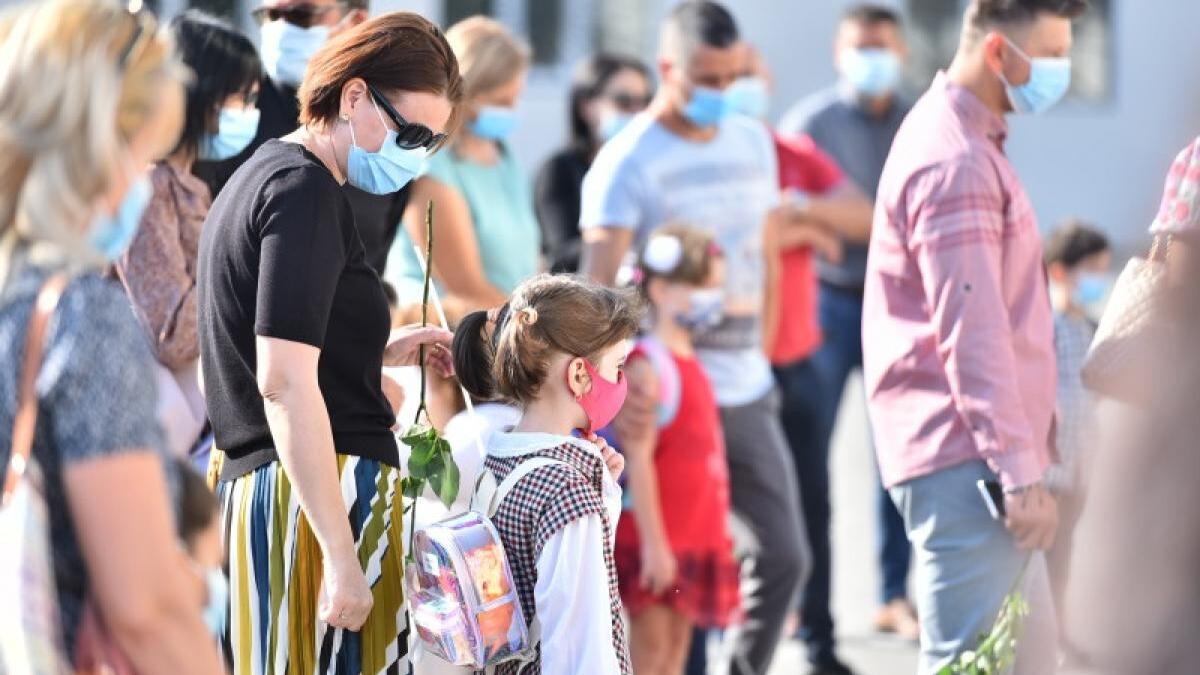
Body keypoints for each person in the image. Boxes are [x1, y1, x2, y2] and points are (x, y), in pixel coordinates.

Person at [197, 13, 462, 673]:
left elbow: (265, 345)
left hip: (289, 496)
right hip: (311, 506)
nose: (416, 155)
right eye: (411, 134)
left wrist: (368, 350)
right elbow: (281, 381)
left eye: (433, 143)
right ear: (353, 96)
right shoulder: (303, 191)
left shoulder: (269, 175)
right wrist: (342, 558)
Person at [580, 3, 812, 673]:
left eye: (730, 76)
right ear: (667, 68)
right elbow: (597, 294)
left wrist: (762, 348)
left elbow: (766, 250)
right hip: (667, 394)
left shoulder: (752, 141)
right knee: (670, 582)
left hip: (744, 387)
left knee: (783, 553)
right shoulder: (625, 163)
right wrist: (608, 397)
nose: (720, 92)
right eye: (705, 78)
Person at [863, 0, 1088, 671]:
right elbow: (974, 333)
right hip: (975, 466)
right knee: (973, 663)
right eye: (1049, 54)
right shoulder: (955, 160)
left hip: (977, 459)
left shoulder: (963, 141)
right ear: (997, 52)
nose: (1061, 70)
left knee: (1022, 660)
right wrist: (1020, 475)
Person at [0, 2, 222, 673]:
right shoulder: (82, 317)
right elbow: (145, 609)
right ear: (94, 148)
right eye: (144, 157)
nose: (146, 185)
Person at [778, 5, 919, 663]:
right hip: (828, 305)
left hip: (897, 304)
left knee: (901, 456)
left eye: (882, 47)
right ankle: (798, 600)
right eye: (861, 47)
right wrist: (828, 219)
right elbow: (779, 216)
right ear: (840, 51)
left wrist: (837, 219)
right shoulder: (811, 125)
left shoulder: (918, 122)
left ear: (903, 52)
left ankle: (894, 593)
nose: (872, 58)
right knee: (809, 461)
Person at [452, 274, 639, 674]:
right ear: (579, 375)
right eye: (617, 367)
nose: (622, 383)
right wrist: (586, 496)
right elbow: (578, 645)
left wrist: (600, 496)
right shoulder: (566, 492)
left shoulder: (496, 459)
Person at [114, 10, 260, 458]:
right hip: (169, 434)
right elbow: (173, 335)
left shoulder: (192, 185)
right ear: (200, 95)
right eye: (241, 97)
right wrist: (251, 284)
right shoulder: (153, 188)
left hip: (197, 425)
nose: (250, 111)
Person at [192, 0, 408, 275]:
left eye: (301, 15)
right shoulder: (231, 117)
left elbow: (375, 266)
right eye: (271, 15)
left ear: (355, 22)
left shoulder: (387, 129)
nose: (281, 29)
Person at [613, 226, 741, 675]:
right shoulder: (649, 365)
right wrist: (655, 546)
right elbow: (641, 459)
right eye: (704, 285)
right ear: (662, 288)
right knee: (651, 658)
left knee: (676, 659)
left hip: (694, 540)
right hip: (660, 542)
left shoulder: (690, 360)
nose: (715, 296)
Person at [386, 16, 540, 310]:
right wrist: (542, 328)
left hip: (509, 326)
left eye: (516, 98)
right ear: (465, 95)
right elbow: (466, 287)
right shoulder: (434, 168)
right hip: (447, 338)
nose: (513, 110)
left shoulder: (505, 157)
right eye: (501, 100)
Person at [1041, 220, 1110, 628]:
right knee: (1041, 561)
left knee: (1067, 555)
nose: (1100, 279)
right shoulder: (1045, 328)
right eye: (1092, 268)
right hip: (1050, 469)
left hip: (1081, 469)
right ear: (1060, 271)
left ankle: (1061, 634)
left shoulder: (1093, 330)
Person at [535, 54, 653, 273]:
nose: (638, 113)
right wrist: (619, 236)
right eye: (624, 102)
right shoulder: (560, 170)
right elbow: (560, 256)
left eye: (646, 102)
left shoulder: (650, 168)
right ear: (586, 107)